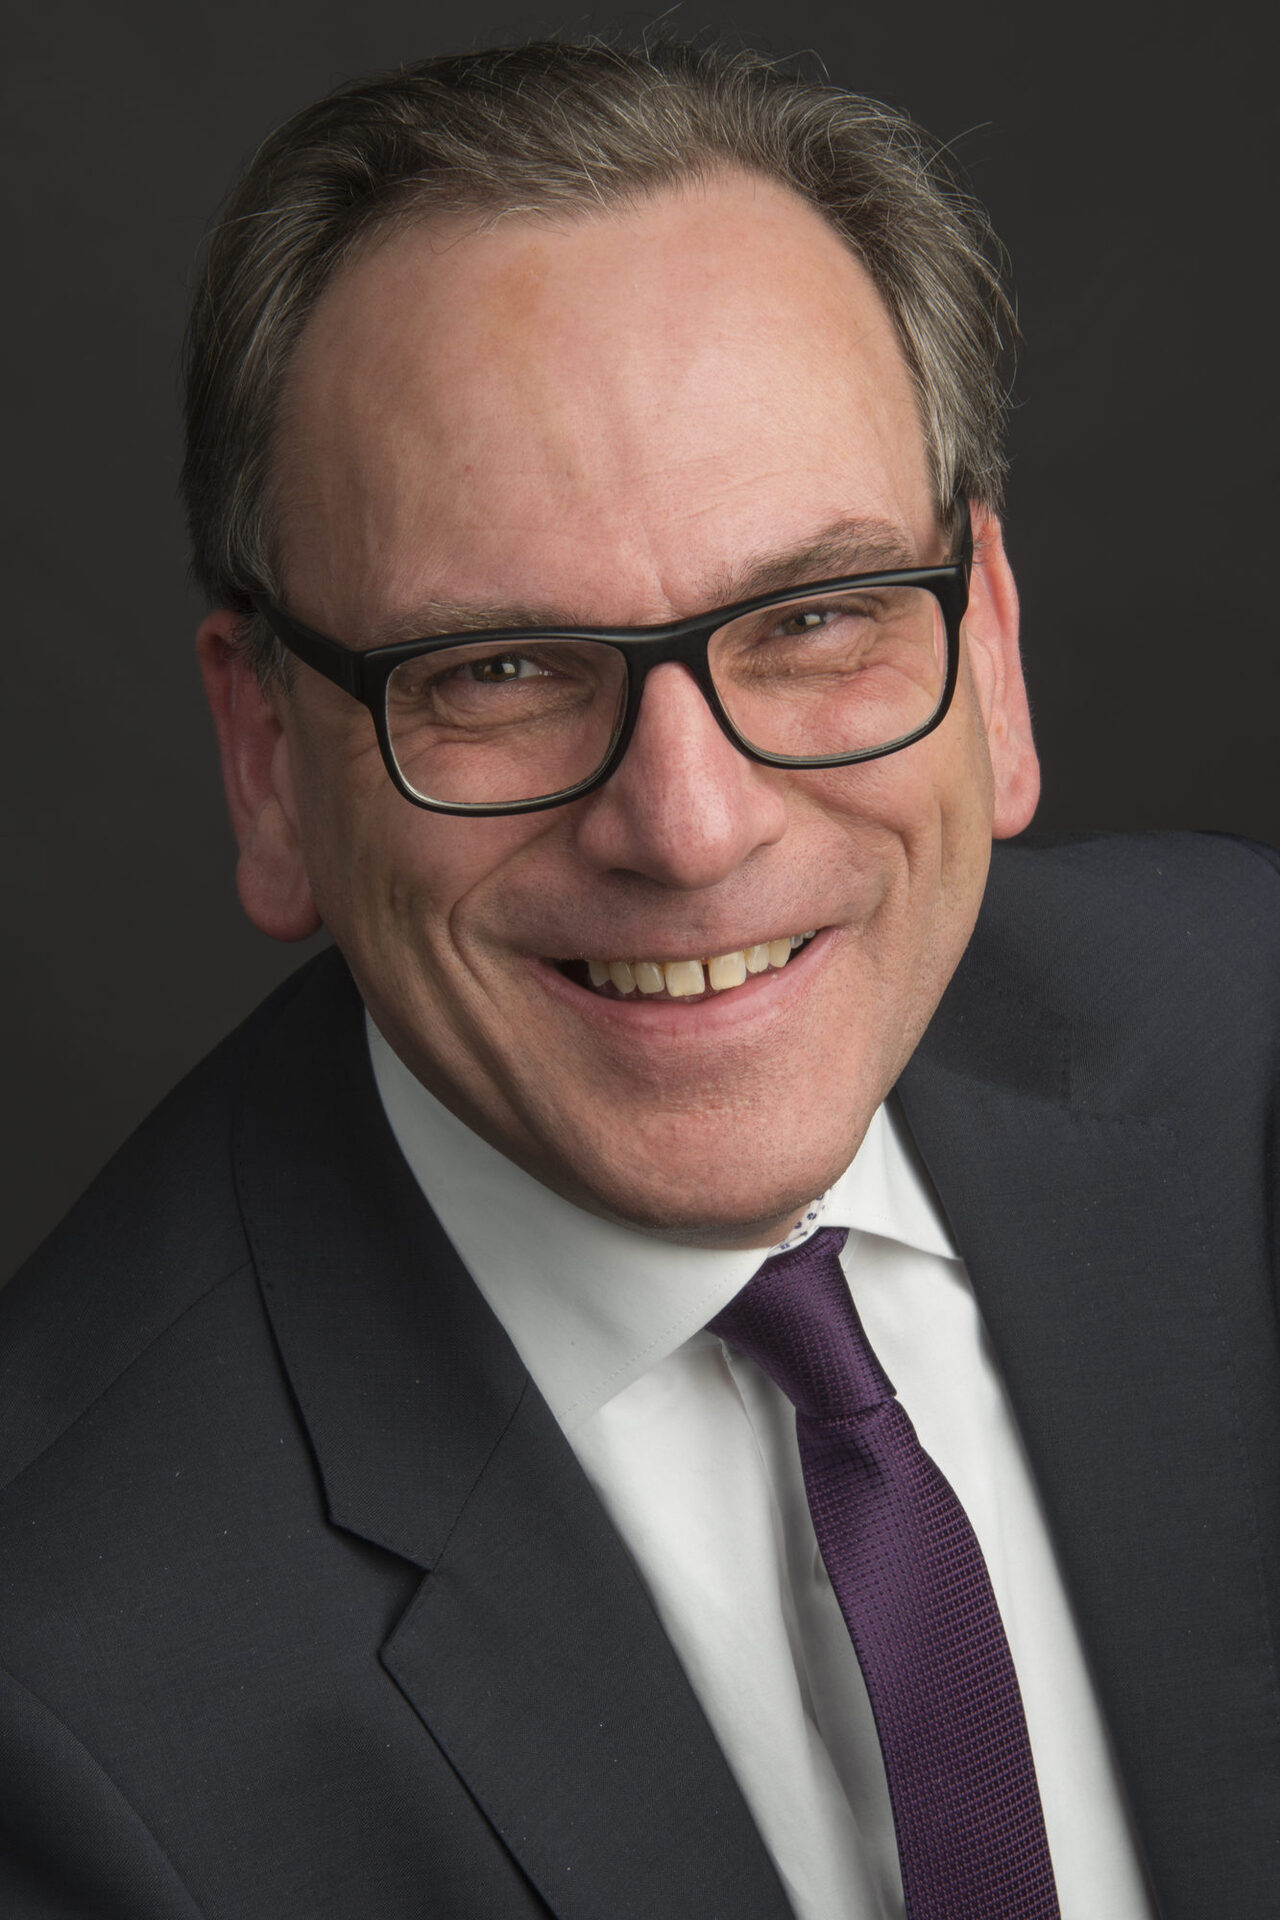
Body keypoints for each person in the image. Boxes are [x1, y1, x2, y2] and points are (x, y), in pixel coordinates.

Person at [1, 36, 1276, 1920]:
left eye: (815, 617)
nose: (689, 826)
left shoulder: (1253, 1053)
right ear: (268, 758)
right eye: (500, 670)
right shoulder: (58, 1691)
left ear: (992, 654)